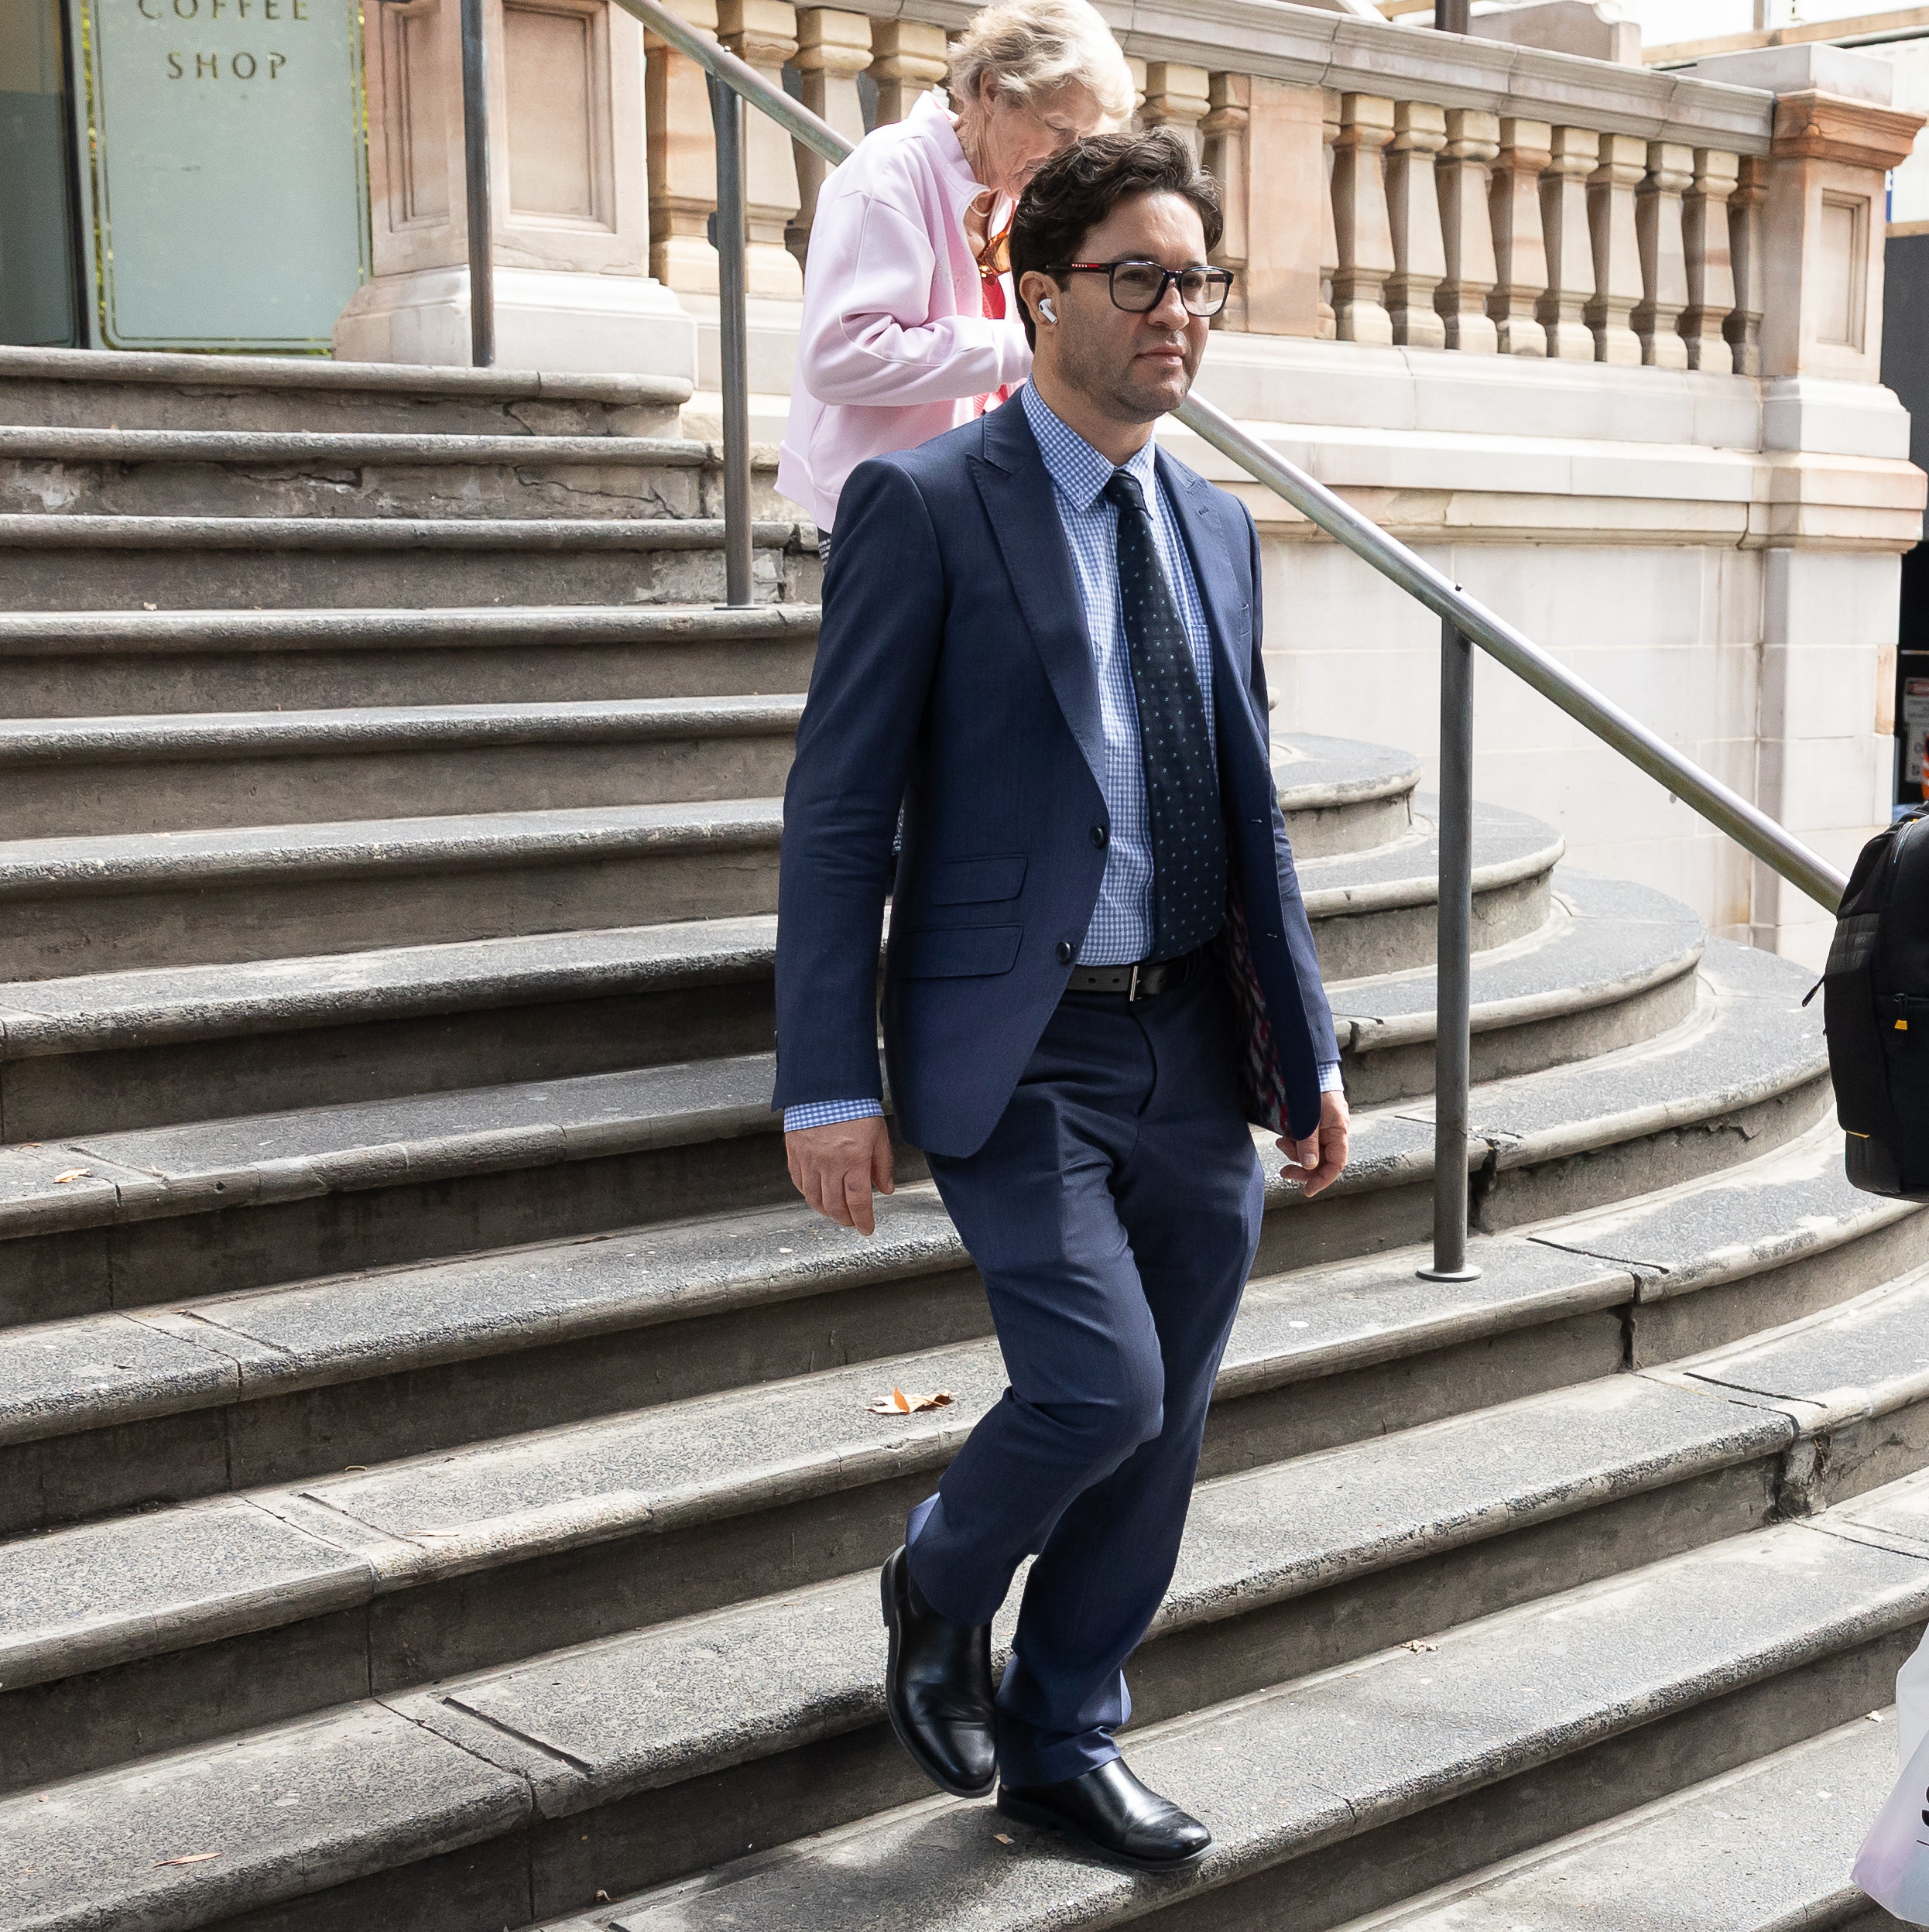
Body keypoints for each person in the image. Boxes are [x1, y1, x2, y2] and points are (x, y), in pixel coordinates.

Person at [771, 131, 1351, 1871]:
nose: (1179, 314)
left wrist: (1303, 1041)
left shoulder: (1215, 523)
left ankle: (1064, 1729)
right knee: (1094, 1386)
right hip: (1017, 1041)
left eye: (1197, 282)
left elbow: (1247, 804)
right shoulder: (929, 508)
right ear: (1037, 297)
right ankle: (937, 1580)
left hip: (1192, 1034)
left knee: (1163, 1419)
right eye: (1140, 279)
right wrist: (824, 1083)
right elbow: (837, 811)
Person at [776, 0, 1135, 537]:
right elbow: (838, 356)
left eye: (1084, 138)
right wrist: (1032, 342)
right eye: (1058, 127)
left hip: (974, 503)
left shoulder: (1014, 193)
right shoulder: (890, 169)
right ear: (992, 90)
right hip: (886, 510)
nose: (1069, 157)